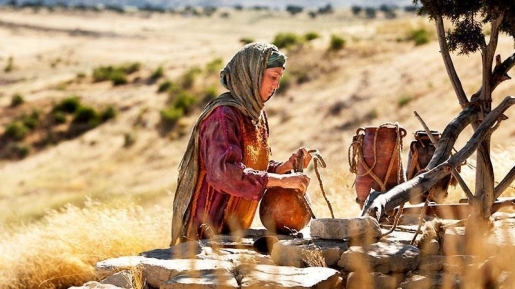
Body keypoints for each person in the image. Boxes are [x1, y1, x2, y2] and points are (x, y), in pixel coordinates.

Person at [170, 42, 312, 246]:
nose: (276, 85)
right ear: (251, 75)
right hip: (205, 233)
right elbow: (225, 174)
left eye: (279, 79)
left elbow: (251, 166)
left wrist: (283, 168)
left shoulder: (256, 115)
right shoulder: (223, 116)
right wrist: (281, 181)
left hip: (233, 231)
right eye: (273, 77)